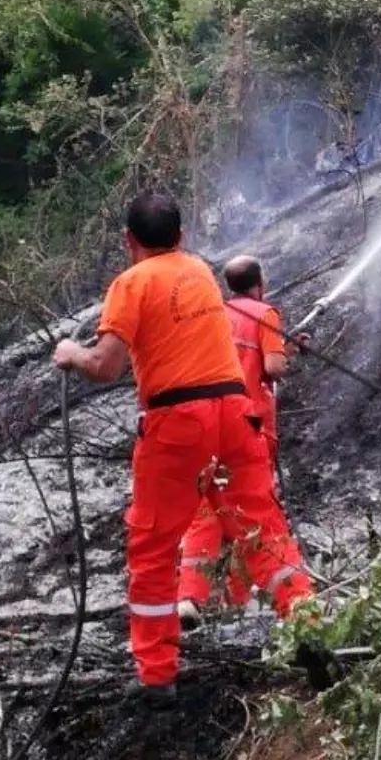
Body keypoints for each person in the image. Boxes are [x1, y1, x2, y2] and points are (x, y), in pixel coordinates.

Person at [53, 192, 318, 708]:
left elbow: (106, 366)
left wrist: (72, 354)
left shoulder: (131, 283)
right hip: (237, 413)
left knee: (152, 543)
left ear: (129, 242)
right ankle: (309, 630)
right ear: (181, 237)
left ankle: (157, 675)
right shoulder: (199, 271)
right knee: (261, 526)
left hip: (178, 419)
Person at [176, 255, 307, 629]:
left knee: (207, 511)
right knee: (255, 514)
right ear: (259, 282)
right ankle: (283, 604)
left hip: (204, 428)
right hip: (247, 428)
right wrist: (285, 353)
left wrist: (287, 345)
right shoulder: (264, 313)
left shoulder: (212, 315)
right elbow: (273, 368)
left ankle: (189, 598)